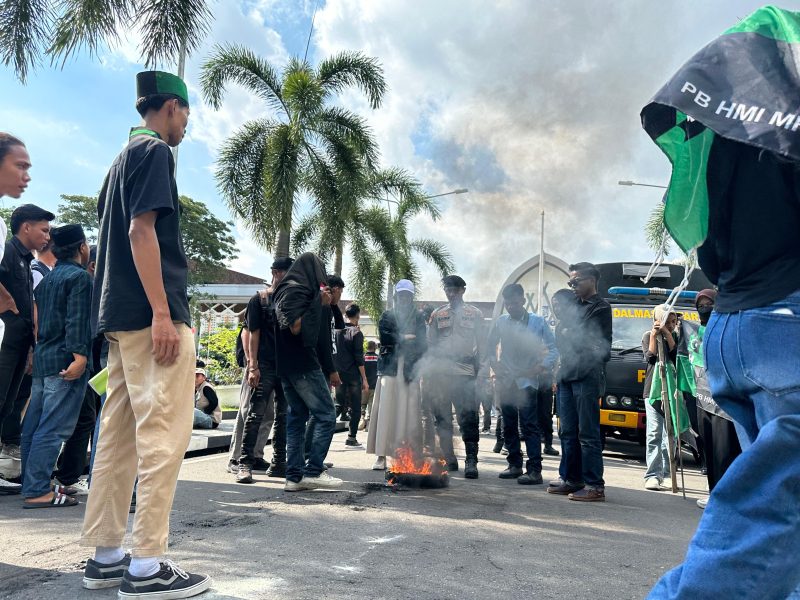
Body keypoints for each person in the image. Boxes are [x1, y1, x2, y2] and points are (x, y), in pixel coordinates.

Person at [79, 70, 211, 597]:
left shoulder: (117, 163)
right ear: (172, 107)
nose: (186, 125)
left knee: (117, 439)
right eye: (186, 114)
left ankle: (107, 554)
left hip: (117, 317)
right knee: (163, 435)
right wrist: (162, 310)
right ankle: (147, 563)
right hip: (150, 315)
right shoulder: (156, 153)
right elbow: (141, 230)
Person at [20, 224, 92, 508]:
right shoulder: (79, 278)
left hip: (44, 358)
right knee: (53, 429)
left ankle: (34, 484)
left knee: (34, 427)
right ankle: (38, 491)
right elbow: (76, 320)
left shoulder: (48, 279)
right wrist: (80, 356)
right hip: (65, 361)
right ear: (82, 247)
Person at [274, 253, 342, 491]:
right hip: (303, 364)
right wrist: (319, 303)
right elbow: (295, 327)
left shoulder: (283, 291)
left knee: (297, 419)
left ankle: (294, 477)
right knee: (326, 415)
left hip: (287, 366)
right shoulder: (297, 292)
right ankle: (313, 470)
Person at [547, 264, 612, 502]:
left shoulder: (600, 308)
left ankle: (595, 485)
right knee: (567, 432)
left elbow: (597, 345)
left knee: (588, 433)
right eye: (570, 283)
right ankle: (571, 479)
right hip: (566, 376)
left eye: (576, 282)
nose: (572, 287)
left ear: (592, 280)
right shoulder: (572, 307)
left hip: (586, 376)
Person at [0, 204, 53, 490]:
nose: (47, 236)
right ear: (26, 227)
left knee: (8, 406)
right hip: (5, 343)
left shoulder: (24, 259)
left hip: (20, 345)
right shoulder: (7, 252)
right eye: (43, 230)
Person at [484, 283, 559, 485]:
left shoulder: (537, 322)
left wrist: (539, 368)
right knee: (508, 424)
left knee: (529, 426)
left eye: (515, 303)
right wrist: (495, 365)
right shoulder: (501, 322)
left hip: (528, 382)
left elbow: (553, 350)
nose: (511, 307)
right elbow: (489, 347)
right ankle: (514, 465)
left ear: (523, 301)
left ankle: (535, 470)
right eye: (508, 304)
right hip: (506, 381)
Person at [235, 256, 292, 483]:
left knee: (283, 417)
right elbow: (251, 333)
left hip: (287, 367)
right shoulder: (260, 300)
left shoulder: (293, 300)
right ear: (276, 273)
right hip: (264, 366)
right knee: (255, 414)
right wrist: (252, 366)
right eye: (289, 274)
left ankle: (279, 463)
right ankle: (244, 464)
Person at [427, 275, 484, 479]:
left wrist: (483, 372)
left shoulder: (475, 314)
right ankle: (449, 458)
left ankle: (471, 461)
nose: (451, 294)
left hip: (465, 372)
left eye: (454, 290)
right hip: (441, 374)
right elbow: (430, 345)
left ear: (463, 290)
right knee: (442, 418)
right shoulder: (437, 314)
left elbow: (483, 346)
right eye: (447, 290)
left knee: (468, 417)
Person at [367, 280, 428, 470]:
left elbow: (422, 343)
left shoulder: (418, 317)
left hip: (410, 369)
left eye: (407, 295)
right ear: (396, 296)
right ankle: (381, 456)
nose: (404, 298)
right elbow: (384, 337)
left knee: (408, 412)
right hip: (389, 367)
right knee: (385, 410)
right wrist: (404, 338)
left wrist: (400, 339)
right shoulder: (387, 315)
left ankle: (406, 456)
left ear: (411, 297)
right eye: (401, 295)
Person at [53, 245, 100, 494]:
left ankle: (63, 476)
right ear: (93, 266)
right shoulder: (86, 285)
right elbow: (80, 327)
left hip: (66, 360)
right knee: (83, 420)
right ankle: (66, 478)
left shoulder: (57, 279)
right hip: (81, 364)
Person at [689, 290, 741, 509]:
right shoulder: (694, 334)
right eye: (700, 305)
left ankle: (729, 498)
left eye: (708, 303)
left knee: (725, 452)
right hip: (703, 399)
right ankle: (714, 494)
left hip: (725, 404)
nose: (704, 308)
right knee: (709, 450)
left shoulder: (729, 328)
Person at [641, 305, 678, 491]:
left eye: (673, 322)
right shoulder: (649, 335)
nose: (671, 325)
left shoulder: (676, 337)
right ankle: (652, 475)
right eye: (667, 321)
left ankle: (664, 472)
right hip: (653, 392)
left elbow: (676, 356)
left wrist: (668, 334)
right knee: (655, 433)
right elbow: (651, 357)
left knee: (669, 435)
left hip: (673, 392)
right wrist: (657, 335)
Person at [335, 304, 368, 448]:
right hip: (353, 375)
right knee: (355, 407)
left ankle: (322, 432)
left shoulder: (336, 331)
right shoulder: (356, 333)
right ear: (358, 315)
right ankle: (351, 437)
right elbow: (359, 358)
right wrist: (365, 379)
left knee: (338, 405)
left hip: (338, 375)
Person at [359, 340, 379, 431]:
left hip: (363, 385)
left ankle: (361, 420)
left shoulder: (363, 357)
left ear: (367, 347)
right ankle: (369, 424)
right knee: (371, 403)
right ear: (375, 348)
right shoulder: (378, 358)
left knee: (362, 404)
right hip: (374, 384)